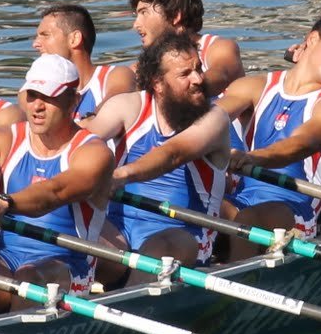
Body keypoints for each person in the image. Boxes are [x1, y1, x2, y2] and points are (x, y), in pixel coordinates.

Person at [83, 31, 232, 277]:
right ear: (158, 83)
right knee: (74, 233)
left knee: (162, 248)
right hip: (119, 231)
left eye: (198, 69)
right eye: (185, 74)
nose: (197, 79)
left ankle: (125, 303)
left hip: (182, 235)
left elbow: (173, 154)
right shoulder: (128, 106)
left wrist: (122, 175)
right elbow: (81, 143)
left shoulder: (213, 118)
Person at [0, 55, 115, 292]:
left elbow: (53, 192)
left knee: (29, 277)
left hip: (67, 265)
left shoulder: (93, 152)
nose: (37, 107)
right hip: (4, 258)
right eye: (32, 96)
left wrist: (5, 202)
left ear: (74, 102)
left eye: (48, 98)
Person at [217, 13, 321, 235]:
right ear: (313, 39)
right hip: (244, 201)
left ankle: (238, 268)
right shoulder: (253, 86)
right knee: (197, 203)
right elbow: (210, 118)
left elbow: (301, 143)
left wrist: (252, 158)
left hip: (296, 210)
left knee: (250, 218)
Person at [127, 0, 244, 95]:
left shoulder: (219, 48)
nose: (136, 25)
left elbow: (222, 75)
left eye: (144, 12)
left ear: (175, 16)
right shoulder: (140, 69)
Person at [32, 4, 135, 119]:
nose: (35, 44)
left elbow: (112, 107)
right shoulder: (38, 90)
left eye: (45, 35)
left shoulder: (114, 76)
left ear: (75, 39)